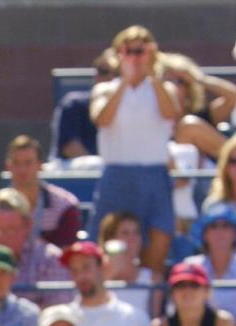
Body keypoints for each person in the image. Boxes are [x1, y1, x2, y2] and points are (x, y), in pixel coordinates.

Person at [88, 25, 179, 272]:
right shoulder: (104, 89)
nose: (136, 57)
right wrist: (124, 82)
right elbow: (101, 119)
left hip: (154, 176)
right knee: (106, 250)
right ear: (119, 53)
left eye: (142, 50)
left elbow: (172, 113)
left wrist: (152, 75)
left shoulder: (164, 89)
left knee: (158, 249)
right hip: (117, 176)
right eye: (130, 50)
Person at [61, 242, 150, 326]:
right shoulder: (60, 320)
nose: (81, 276)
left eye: (86, 267)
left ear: (102, 267)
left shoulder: (134, 318)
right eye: (74, 270)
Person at [0, 187, 70, 303]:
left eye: (11, 230)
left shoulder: (50, 259)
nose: (3, 237)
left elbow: (59, 309)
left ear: (28, 226)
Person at [0, 134, 81, 249]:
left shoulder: (66, 207)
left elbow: (67, 255)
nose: (22, 170)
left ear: (40, 165)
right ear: (8, 166)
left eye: (28, 163)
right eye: (16, 163)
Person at [179, 203, 236, 326]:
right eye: (213, 226)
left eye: (226, 226)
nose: (220, 232)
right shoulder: (190, 266)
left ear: (235, 233)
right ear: (204, 234)